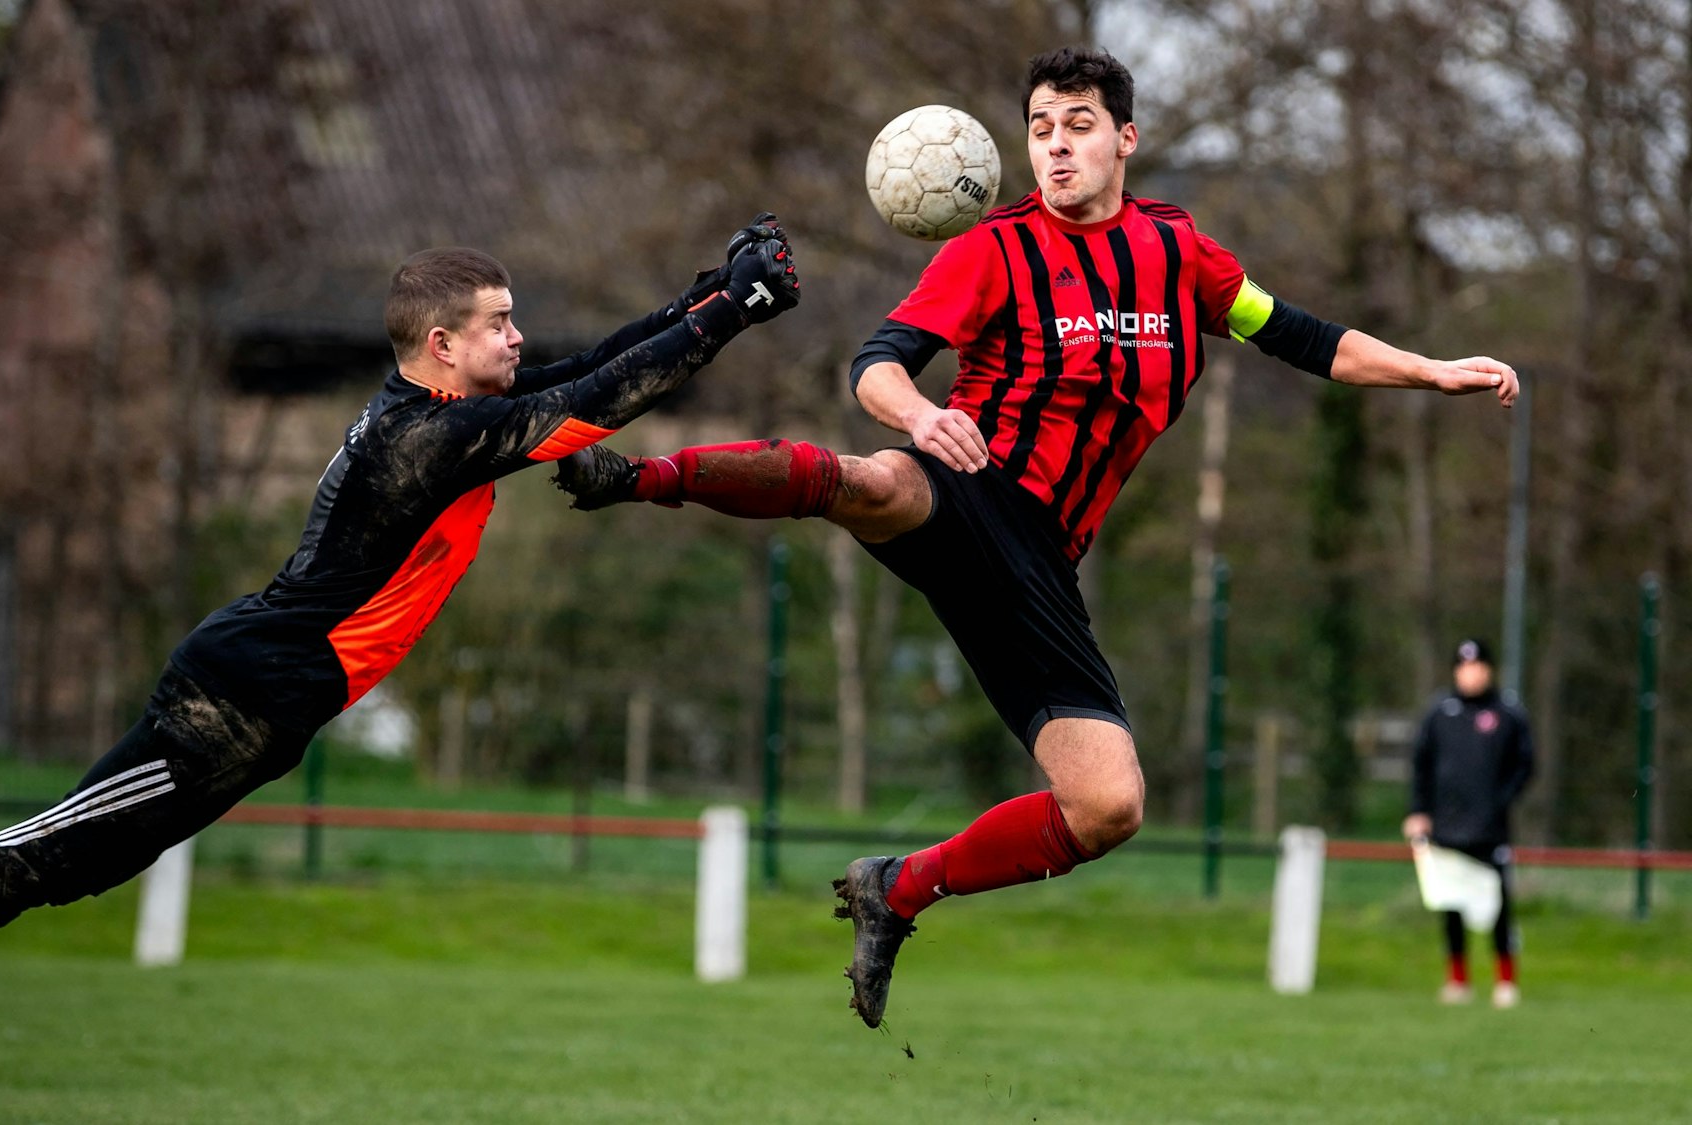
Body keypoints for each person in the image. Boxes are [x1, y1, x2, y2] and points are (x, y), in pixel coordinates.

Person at [556, 46, 1520, 1029]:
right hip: (970, 484)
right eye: (1039, 131)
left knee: (1108, 809)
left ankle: (897, 889)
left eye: (1077, 127)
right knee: (874, 483)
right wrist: (920, 418)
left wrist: (1430, 371)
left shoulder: (1180, 257)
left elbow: (1302, 337)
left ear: (1124, 139)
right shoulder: (989, 249)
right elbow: (877, 364)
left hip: (1042, 564)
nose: (1055, 149)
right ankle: (630, 475)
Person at [0, 220, 801, 1114]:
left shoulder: (444, 418)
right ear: (441, 345)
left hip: (270, 706)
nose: (516, 336)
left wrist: (708, 289)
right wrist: (729, 315)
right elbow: (596, 404)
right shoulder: (422, 439)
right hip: (232, 695)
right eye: (498, 322)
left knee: (82, 868)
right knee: (49, 853)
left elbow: (586, 371)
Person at [1402, 638, 1534, 1008]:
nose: (1471, 673)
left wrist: (1499, 801)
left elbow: (1524, 765)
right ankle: (1457, 980)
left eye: (1477, 667)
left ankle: (1505, 982)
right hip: (1446, 826)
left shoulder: (1507, 713)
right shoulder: (1439, 714)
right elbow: (1421, 766)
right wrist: (1419, 811)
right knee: (1452, 903)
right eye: (1464, 667)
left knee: (1497, 903)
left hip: (1490, 828)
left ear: (1488, 670)